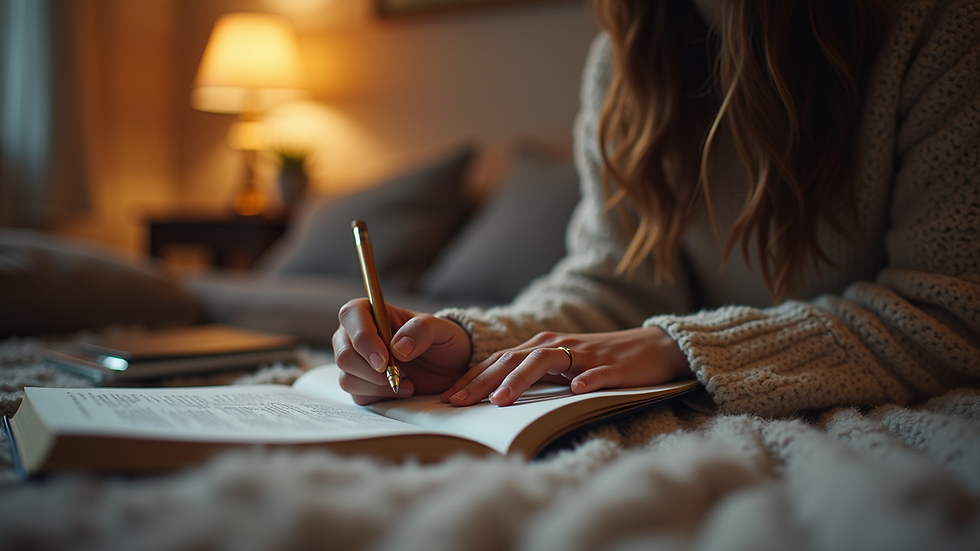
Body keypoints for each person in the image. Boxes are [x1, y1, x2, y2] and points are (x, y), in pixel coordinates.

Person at [333, 0, 980, 417]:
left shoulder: (939, 26)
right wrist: (472, 343)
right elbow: (615, 284)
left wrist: (677, 345)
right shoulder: (623, 65)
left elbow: (951, 315)